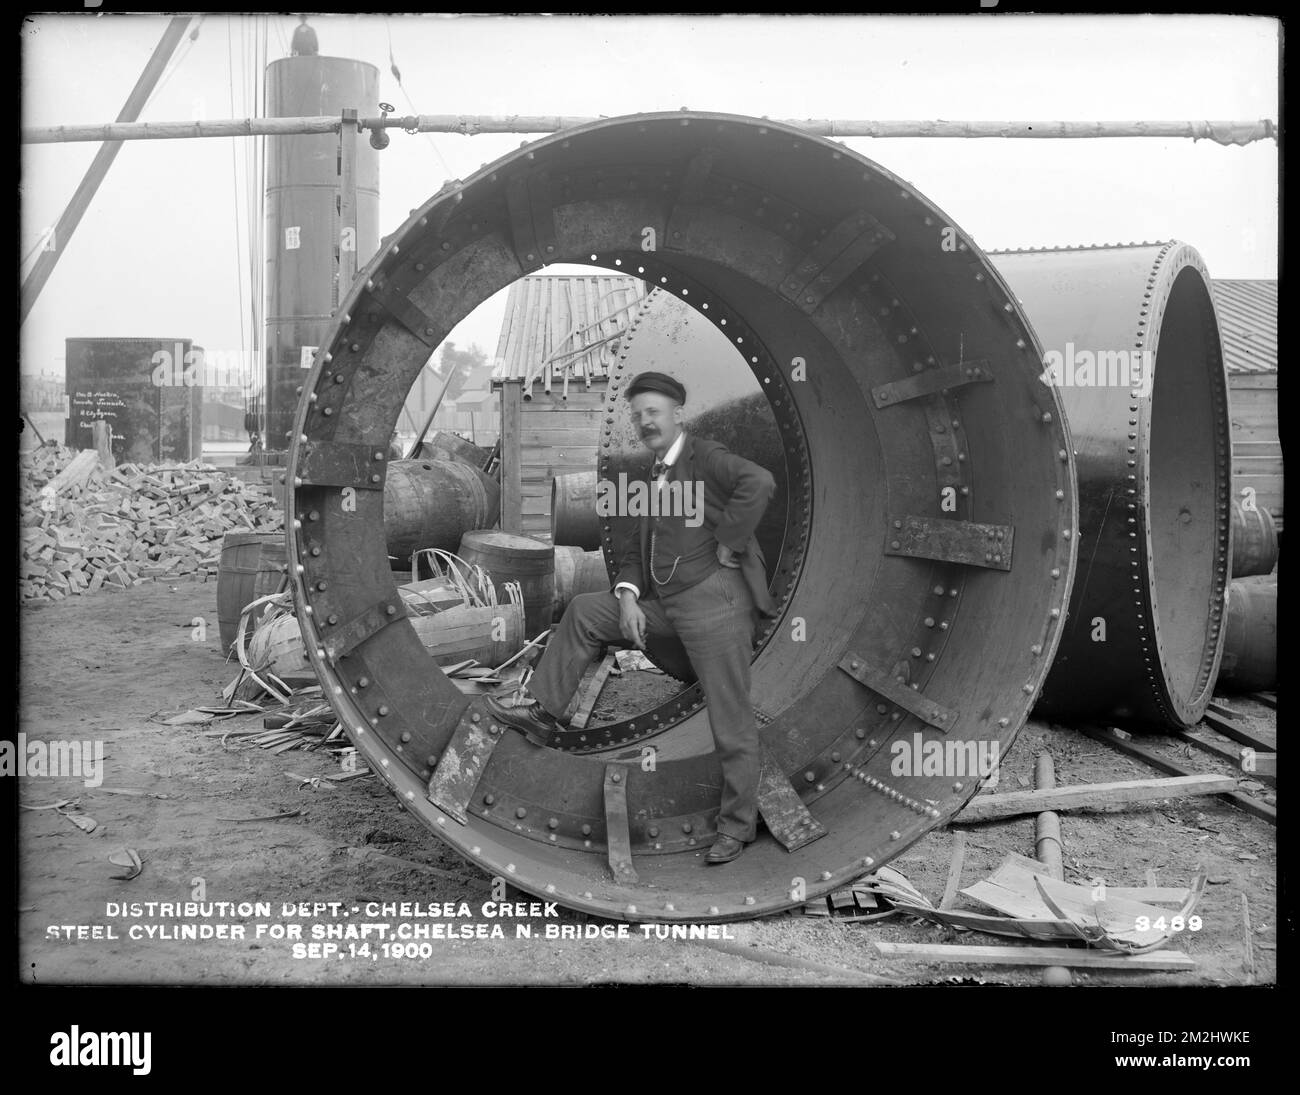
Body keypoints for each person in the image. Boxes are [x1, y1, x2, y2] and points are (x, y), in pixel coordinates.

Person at [486, 372, 777, 865]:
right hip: (667, 606)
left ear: (676, 413)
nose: (645, 422)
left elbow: (760, 482)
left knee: (730, 719)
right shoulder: (651, 476)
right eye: (638, 414)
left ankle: (737, 826)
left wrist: (730, 541)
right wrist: (625, 597)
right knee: (584, 611)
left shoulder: (705, 455)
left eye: (654, 412)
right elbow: (642, 553)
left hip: (716, 607)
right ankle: (541, 713)